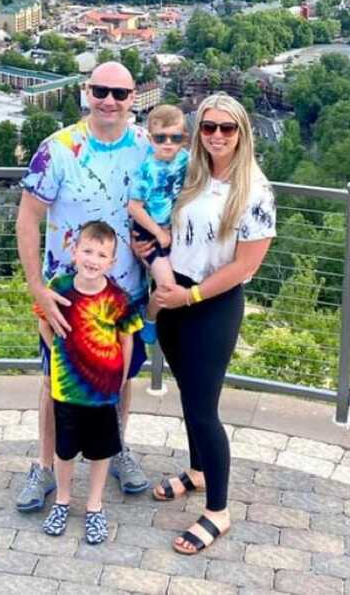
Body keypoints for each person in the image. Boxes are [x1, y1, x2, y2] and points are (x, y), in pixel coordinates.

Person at [142, 92, 275, 556]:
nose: (217, 135)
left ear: (242, 132)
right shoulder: (192, 173)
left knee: (204, 409)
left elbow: (244, 267)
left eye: (227, 128)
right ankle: (198, 472)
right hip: (175, 293)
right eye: (209, 127)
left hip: (209, 303)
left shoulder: (254, 190)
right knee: (189, 395)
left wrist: (190, 296)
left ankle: (219, 510)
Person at [16, 61, 150, 512]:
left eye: (119, 93)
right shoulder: (57, 149)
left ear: (134, 98)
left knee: (122, 377)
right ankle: (45, 466)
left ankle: (116, 449)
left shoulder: (148, 149)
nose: (109, 101)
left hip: (124, 294)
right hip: (66, 298)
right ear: (85, 92)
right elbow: (27, 219)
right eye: (100, 90)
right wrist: (37, 286)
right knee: (56, 381)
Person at [34, 220, 143, 544]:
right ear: (74, 251)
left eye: (101, 254)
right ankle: (63, 501)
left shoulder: (118, 298)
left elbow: (127, 340)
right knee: (64, 451)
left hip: (103, 392)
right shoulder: (60, 287)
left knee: (100, 451)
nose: (93, 259)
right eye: (87, 251)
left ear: (112, 261)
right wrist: (61, 355)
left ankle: (95, 506)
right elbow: (43, 322)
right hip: (67, 389)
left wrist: (120, 379)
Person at [127, 103, 189, 344]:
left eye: (175, 137)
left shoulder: (185, 159)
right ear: (150, 138)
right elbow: (134, 207)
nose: (168, 143)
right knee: (166, 285)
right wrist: (158, 232)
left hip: (173, 230)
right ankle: (150, 318)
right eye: (160, 138)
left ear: (183, 138)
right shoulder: (147, 170)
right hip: (149, 232)